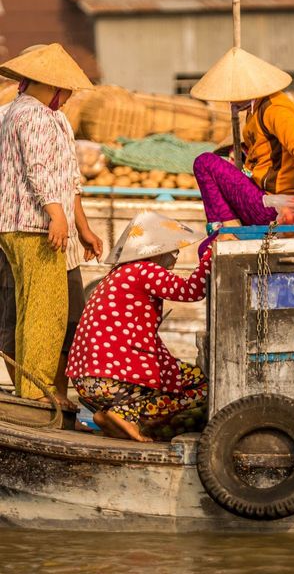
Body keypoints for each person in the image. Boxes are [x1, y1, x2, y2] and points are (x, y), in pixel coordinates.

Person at [0, 43, 100, 407]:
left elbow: (66, 176)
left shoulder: (36, 114)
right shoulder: (34, 116)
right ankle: (39, 393)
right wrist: (57, 215)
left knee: (31, 308)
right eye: (67, 90)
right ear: (51, 86)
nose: (70, 96)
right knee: (47, 311)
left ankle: (31, 391)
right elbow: (38, 170)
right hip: (33, 223)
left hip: (22, 223)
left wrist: (81, 226)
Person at [66, 211, 212, 442]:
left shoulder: (118, 274)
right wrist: (212, 255)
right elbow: (192, 291)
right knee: (201, 386)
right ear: (155, 252)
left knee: (174, 374)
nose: (174, 258)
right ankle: (123, 414)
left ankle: (113, 417)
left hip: (87, 381)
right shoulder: (145, 271)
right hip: (111, 380)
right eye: (172, 252)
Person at [191, 47, 294, 246]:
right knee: (204, 249)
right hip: (262, 198)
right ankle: (225, 227)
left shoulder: (275, 109)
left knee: (204, 163)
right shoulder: (255, 110)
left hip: (272, 206)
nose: (229, 101)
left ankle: (229, 228)